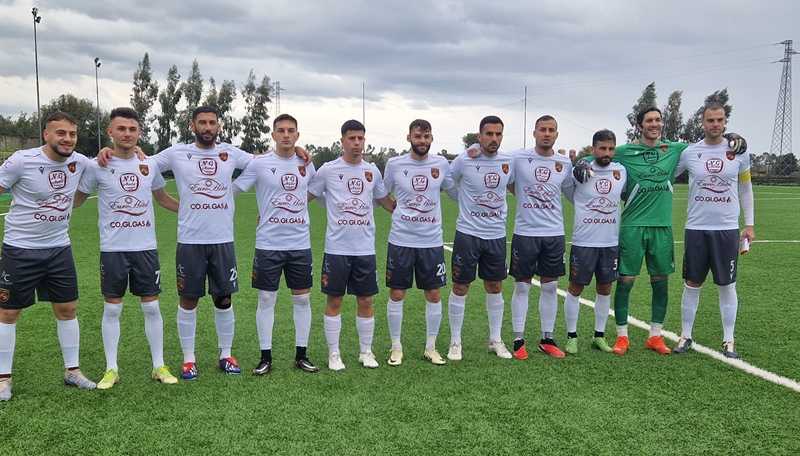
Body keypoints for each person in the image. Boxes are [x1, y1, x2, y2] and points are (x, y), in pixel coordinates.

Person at [611, 107, 747, 356]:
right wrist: (584, 162)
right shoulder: (624, 151)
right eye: (649, 120)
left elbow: (711, 141)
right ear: (639, 125)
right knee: (626, 281)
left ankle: (655, 335)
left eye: (658, 120)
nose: (655, 124)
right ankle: (622, 336)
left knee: (661, 282)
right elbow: (600, 152)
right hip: (632, 225)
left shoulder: (676, 150)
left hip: (662, 226)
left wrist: (735, 137)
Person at [74, 107, 180, 389]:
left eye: (132, 129)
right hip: (113, 250)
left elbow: (163, 198)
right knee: (112, 310)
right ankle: (112, 369)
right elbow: (77, 199)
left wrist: (194, 210)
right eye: (121, 129)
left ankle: (158, 365)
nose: (127, 134)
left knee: (152, 308)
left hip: (145, 248)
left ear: (139, 133)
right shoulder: (98, 165)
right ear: (110, 132)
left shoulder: (150, 165)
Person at [0, 112, 95, 400]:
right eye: (61, 133)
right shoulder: (21, 160)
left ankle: (72, 371)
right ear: (46, 135)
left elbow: (109, 163)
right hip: (19, 249)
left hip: (59, 249)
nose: (67, 139)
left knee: (67, 309)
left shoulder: (80, 162)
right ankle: (3, 378)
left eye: (72, 134)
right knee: (8, 312)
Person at [232, 114, 319, 374]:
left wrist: (295, 207)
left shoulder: (306, 163)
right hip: (268, 244)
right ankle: (265, 356)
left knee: (302, 300)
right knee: (267, 298)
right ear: (273, 135)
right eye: (280, 130)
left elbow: (313, 191)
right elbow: (235, 189)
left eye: (291, 130)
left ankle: (301, 354)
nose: (286, 135)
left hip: (300, 243)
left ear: (297, 135)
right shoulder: (259, 164)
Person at [307, 120, 394, 370]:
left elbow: (385, 202)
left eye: (360, 139)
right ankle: (334, 354)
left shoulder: (372, 171)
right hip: (336, 250)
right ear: (342, 141)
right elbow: (306, 197)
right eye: (352, 138)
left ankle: (365, 352)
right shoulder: (328, 170)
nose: (357, 143)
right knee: (334, 301)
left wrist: (412, 211)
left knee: (366, 301)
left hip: (365, 249)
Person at [673, 102, 754, 359]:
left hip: (727, 229)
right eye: (710, 120)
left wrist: (749, 224)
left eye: (719, 120)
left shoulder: (739, 152)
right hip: (696, 228)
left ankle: (729, 341)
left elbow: (745, 189)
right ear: (702, 122)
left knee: (727, 284)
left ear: (725, 122)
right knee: (692, 283)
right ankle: (685, 336)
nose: (715, 125)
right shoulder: (689, 152)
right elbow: (665, 176)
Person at [382, 119, 453, 366]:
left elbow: (453, 189)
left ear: (431, 139)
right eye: (418, 136)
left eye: (426, 137)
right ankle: (396, 347)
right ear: (409, 137)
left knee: (433, 294)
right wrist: (396, 210)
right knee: (397, 292)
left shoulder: (441, 164)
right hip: (401, 239)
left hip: (431, 241)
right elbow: (382, 193)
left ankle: (431, 347)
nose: (422, 141)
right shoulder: (394, 164)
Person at [446, 116, 514, 361]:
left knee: (495, 286)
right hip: (468, 234)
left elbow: (517, 185)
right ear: (480, 135)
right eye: (489, 134)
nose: (493, 139)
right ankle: (455, 342)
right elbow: (448, 181)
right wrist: (462, 199)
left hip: (496, 235)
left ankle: (495, 339)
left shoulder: (509, 160)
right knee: (460, 286)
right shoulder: (465, 159)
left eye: (498, 134)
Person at [506, 115, 575, 359]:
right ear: (534, 133)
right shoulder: (518, 157)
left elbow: (573, 193)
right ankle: (518, 339)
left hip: (554, 234)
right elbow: (504, 178)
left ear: (557, 134)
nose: (547, 133)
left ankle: (547, 338)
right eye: (542, 129)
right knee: (522, 286)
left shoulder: (564, 163)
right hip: (525, 233)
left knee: (551, 286)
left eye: (551, 130)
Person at [566, 129, 627, 354]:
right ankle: (571, 336)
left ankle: (598, 336)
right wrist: (579, 162)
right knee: (575, 288)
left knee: (605, 288)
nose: (607, 153)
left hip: (609, 242)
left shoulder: (621, 171)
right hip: (584, 241)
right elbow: (567, 183)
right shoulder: (580, 171)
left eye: (611, 148)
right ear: (594, 149)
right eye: (602, 148)